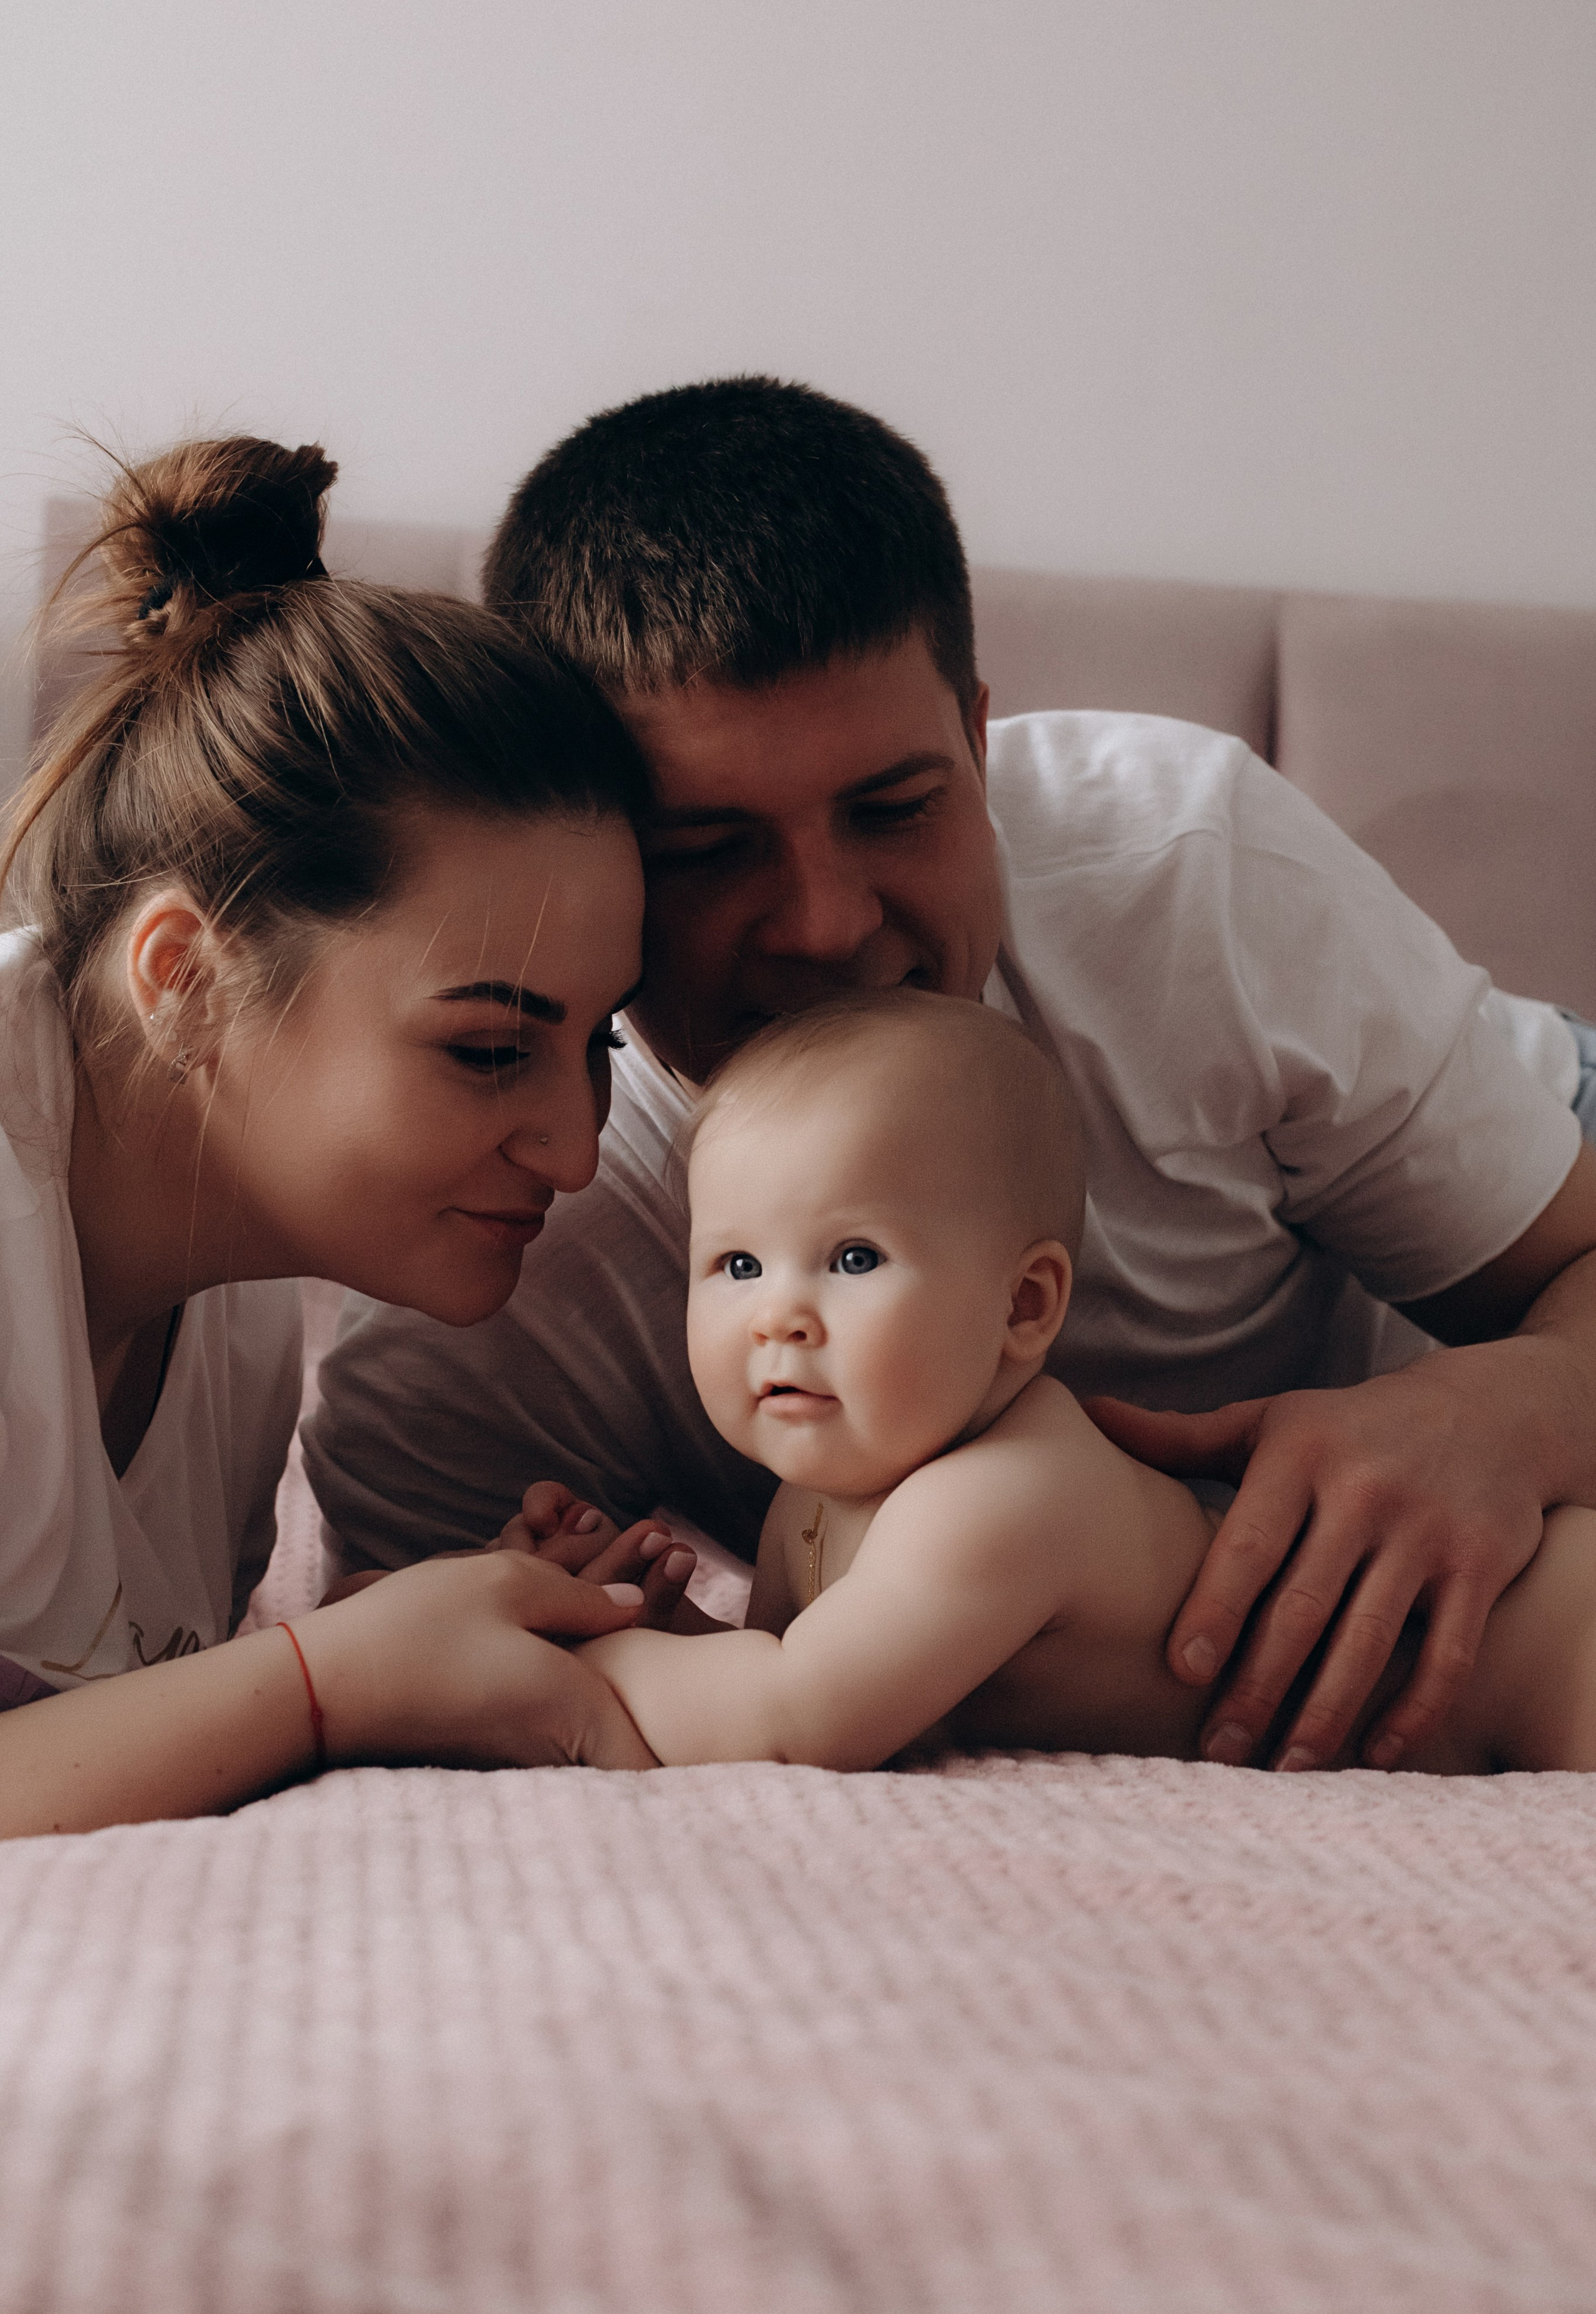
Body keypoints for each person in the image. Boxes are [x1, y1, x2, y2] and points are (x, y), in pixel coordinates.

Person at [305, 377, 1596, 1779]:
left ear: (978, 745)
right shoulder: (495, 1292)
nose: (825, 923)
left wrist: (1511, 1406)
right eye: (709, 849)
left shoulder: (1187, 879)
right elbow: (441, 1661)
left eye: (895, 808)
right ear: (589, 847)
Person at [0, 433, 694, 1839]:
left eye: (598, 1043)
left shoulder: (243, 1321)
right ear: (186, 978)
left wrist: (421, 1638)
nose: (574, 1150)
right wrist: (322, 1682)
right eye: (490, 1049)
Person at [570, 991, 1596, 1775]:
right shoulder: (812, 1499)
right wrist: (640, 1621)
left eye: (853, 1259)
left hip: (1539, 1631)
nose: (777, 1315)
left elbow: (797, 1714)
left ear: (1023, 1307)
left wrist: (555, 1669)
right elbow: (790, 1664)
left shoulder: (1001, 1498)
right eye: (737, 1265)